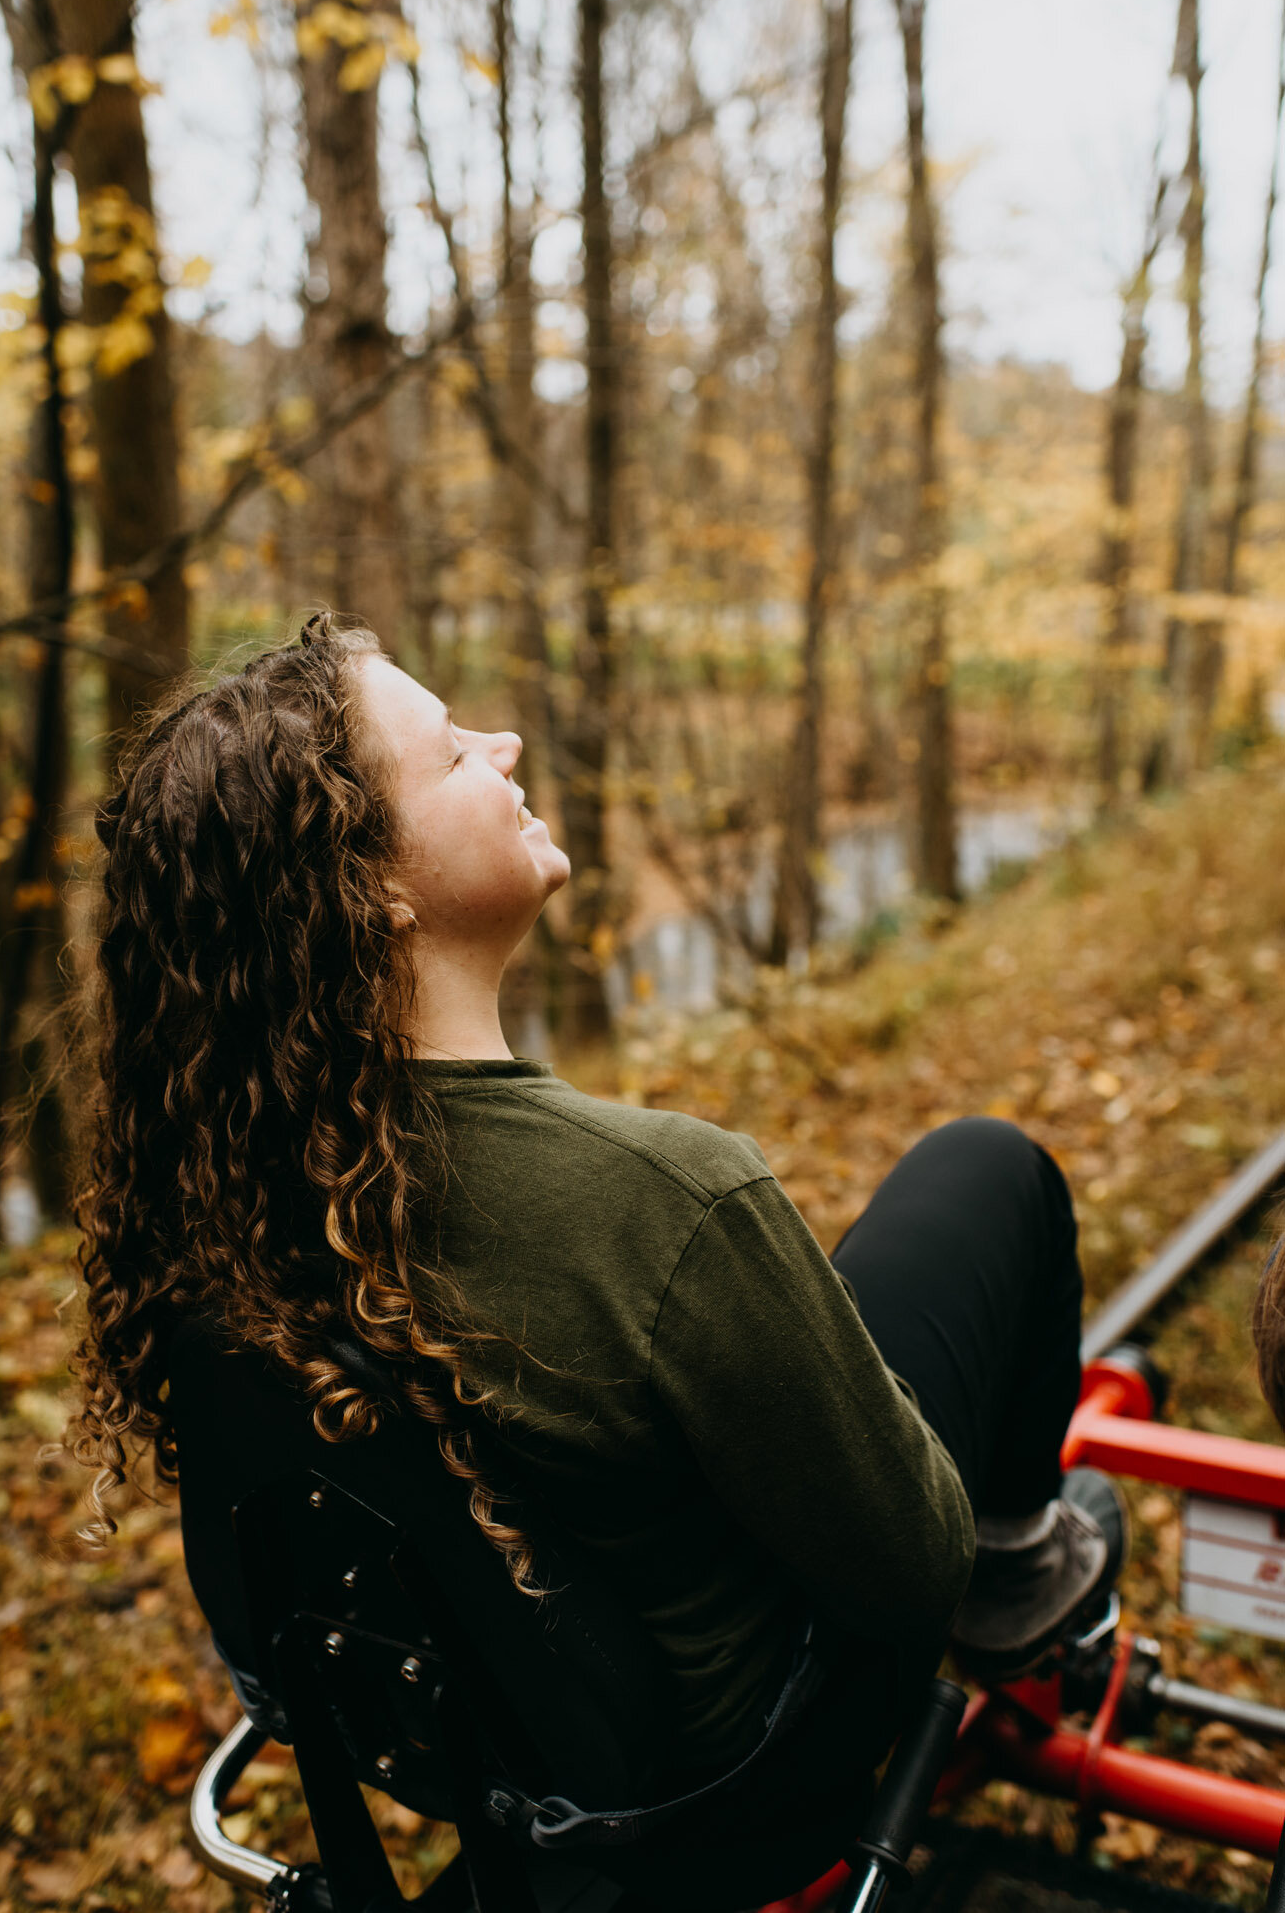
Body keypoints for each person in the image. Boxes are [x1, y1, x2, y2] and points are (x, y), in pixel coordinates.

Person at [71, 614, 1126, 1911]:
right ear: (376, 888)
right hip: (756, 1781)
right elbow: (913, 1573)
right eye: (454, 753)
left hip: (518, 1787)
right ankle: (1031, 1570)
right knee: (985, 1170)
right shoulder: (661, 1198)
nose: (504, 742)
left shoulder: (217, 1216)